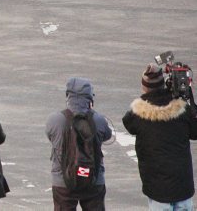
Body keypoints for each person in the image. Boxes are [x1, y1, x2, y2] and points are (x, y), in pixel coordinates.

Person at [122, 63, 197, 210]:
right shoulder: (182, 109)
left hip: (157, 188)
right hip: (182, 185)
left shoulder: (138, 114)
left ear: (144, 88)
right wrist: (189, 99)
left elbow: (128, 123)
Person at [45, 78, 112, 210]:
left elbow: (50, 136)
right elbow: (107, 135)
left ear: (68, 96)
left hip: (63, 180)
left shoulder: (55, 119)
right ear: (89, 99)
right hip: (93, 178)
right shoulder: (98, 120)